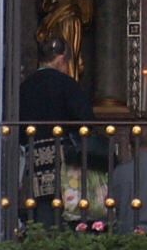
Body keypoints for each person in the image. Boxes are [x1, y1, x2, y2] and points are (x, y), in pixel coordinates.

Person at [19, 36, 95, 225]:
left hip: (34, 157)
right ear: (61, 59)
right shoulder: (67, 85)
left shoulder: (25, 87)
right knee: (65, 212)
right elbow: (86, 121)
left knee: (40, 210)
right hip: (64, 163)